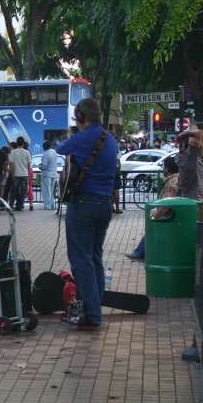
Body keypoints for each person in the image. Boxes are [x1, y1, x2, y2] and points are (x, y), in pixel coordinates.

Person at [56, 98, 118, 330]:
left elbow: (60, 149)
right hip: (105, 205)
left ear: (82, 118)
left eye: (77, 119)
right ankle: (94, 307)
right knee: (94, 257)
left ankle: (92, 314)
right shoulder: (110, 139)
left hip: (83, 204)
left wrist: (74, 132)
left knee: (81, 259)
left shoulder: (81, 137)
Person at [126, 157, 179, 261]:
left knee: (151, 226)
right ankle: (139, 252)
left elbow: (166, 204)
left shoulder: (172, 182)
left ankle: (139, 253)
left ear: (167, 169)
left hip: (169, 215)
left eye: (164, 167)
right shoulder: (175, 179)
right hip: (171, 213)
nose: (163, 169)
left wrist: (156, 216)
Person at [176, 127, 203, 200]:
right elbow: (198, 133)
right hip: (194, 201)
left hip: (190, 199)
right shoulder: (191, 157)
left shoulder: (185, 155)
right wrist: (182, 135)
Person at [8, 137, 32, 211]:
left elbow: (11, 163)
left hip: (16, 174)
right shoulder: (27, 152)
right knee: (22, 192)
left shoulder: (13, 152)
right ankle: (20, 206)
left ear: (17, 143)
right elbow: (29, 165)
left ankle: (11, 206)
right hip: (24, 174)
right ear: (23, 143)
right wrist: (28, 175)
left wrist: (12, 173)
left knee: (13, 191)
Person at [39, 141, 58, 210]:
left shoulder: (46, 154)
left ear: (44, 147)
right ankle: (52, 205)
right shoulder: (54, 152)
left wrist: (40, 166)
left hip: (47, 175)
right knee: (52, 190)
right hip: (54, 174)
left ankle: (47, 206)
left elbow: (44, 165)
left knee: (46, 191)